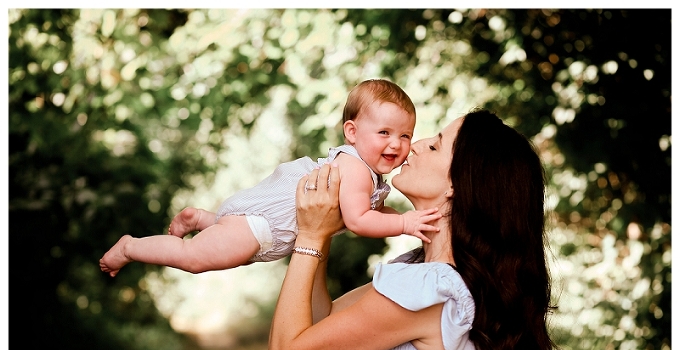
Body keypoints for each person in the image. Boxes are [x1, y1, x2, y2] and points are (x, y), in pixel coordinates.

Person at [268, 108, 562, 350]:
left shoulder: (432, 293)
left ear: (457, 184)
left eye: (436, 146)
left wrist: (308, 237)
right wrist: (324, 230)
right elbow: (322, 321)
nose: (417, 144)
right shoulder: (424, 271)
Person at [99, 79, 440, 277]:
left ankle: (206, 218)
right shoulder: (354, 169)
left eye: (405, 135)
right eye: (384, 132)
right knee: (193, 260)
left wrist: (409, 220)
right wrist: (406, 224)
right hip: (261, 227)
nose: (397, 144)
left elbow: (376, 214)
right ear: (351, 132)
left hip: (260, 227)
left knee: (227, 243)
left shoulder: (366, 175)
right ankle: (132, 246)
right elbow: (360, 220)